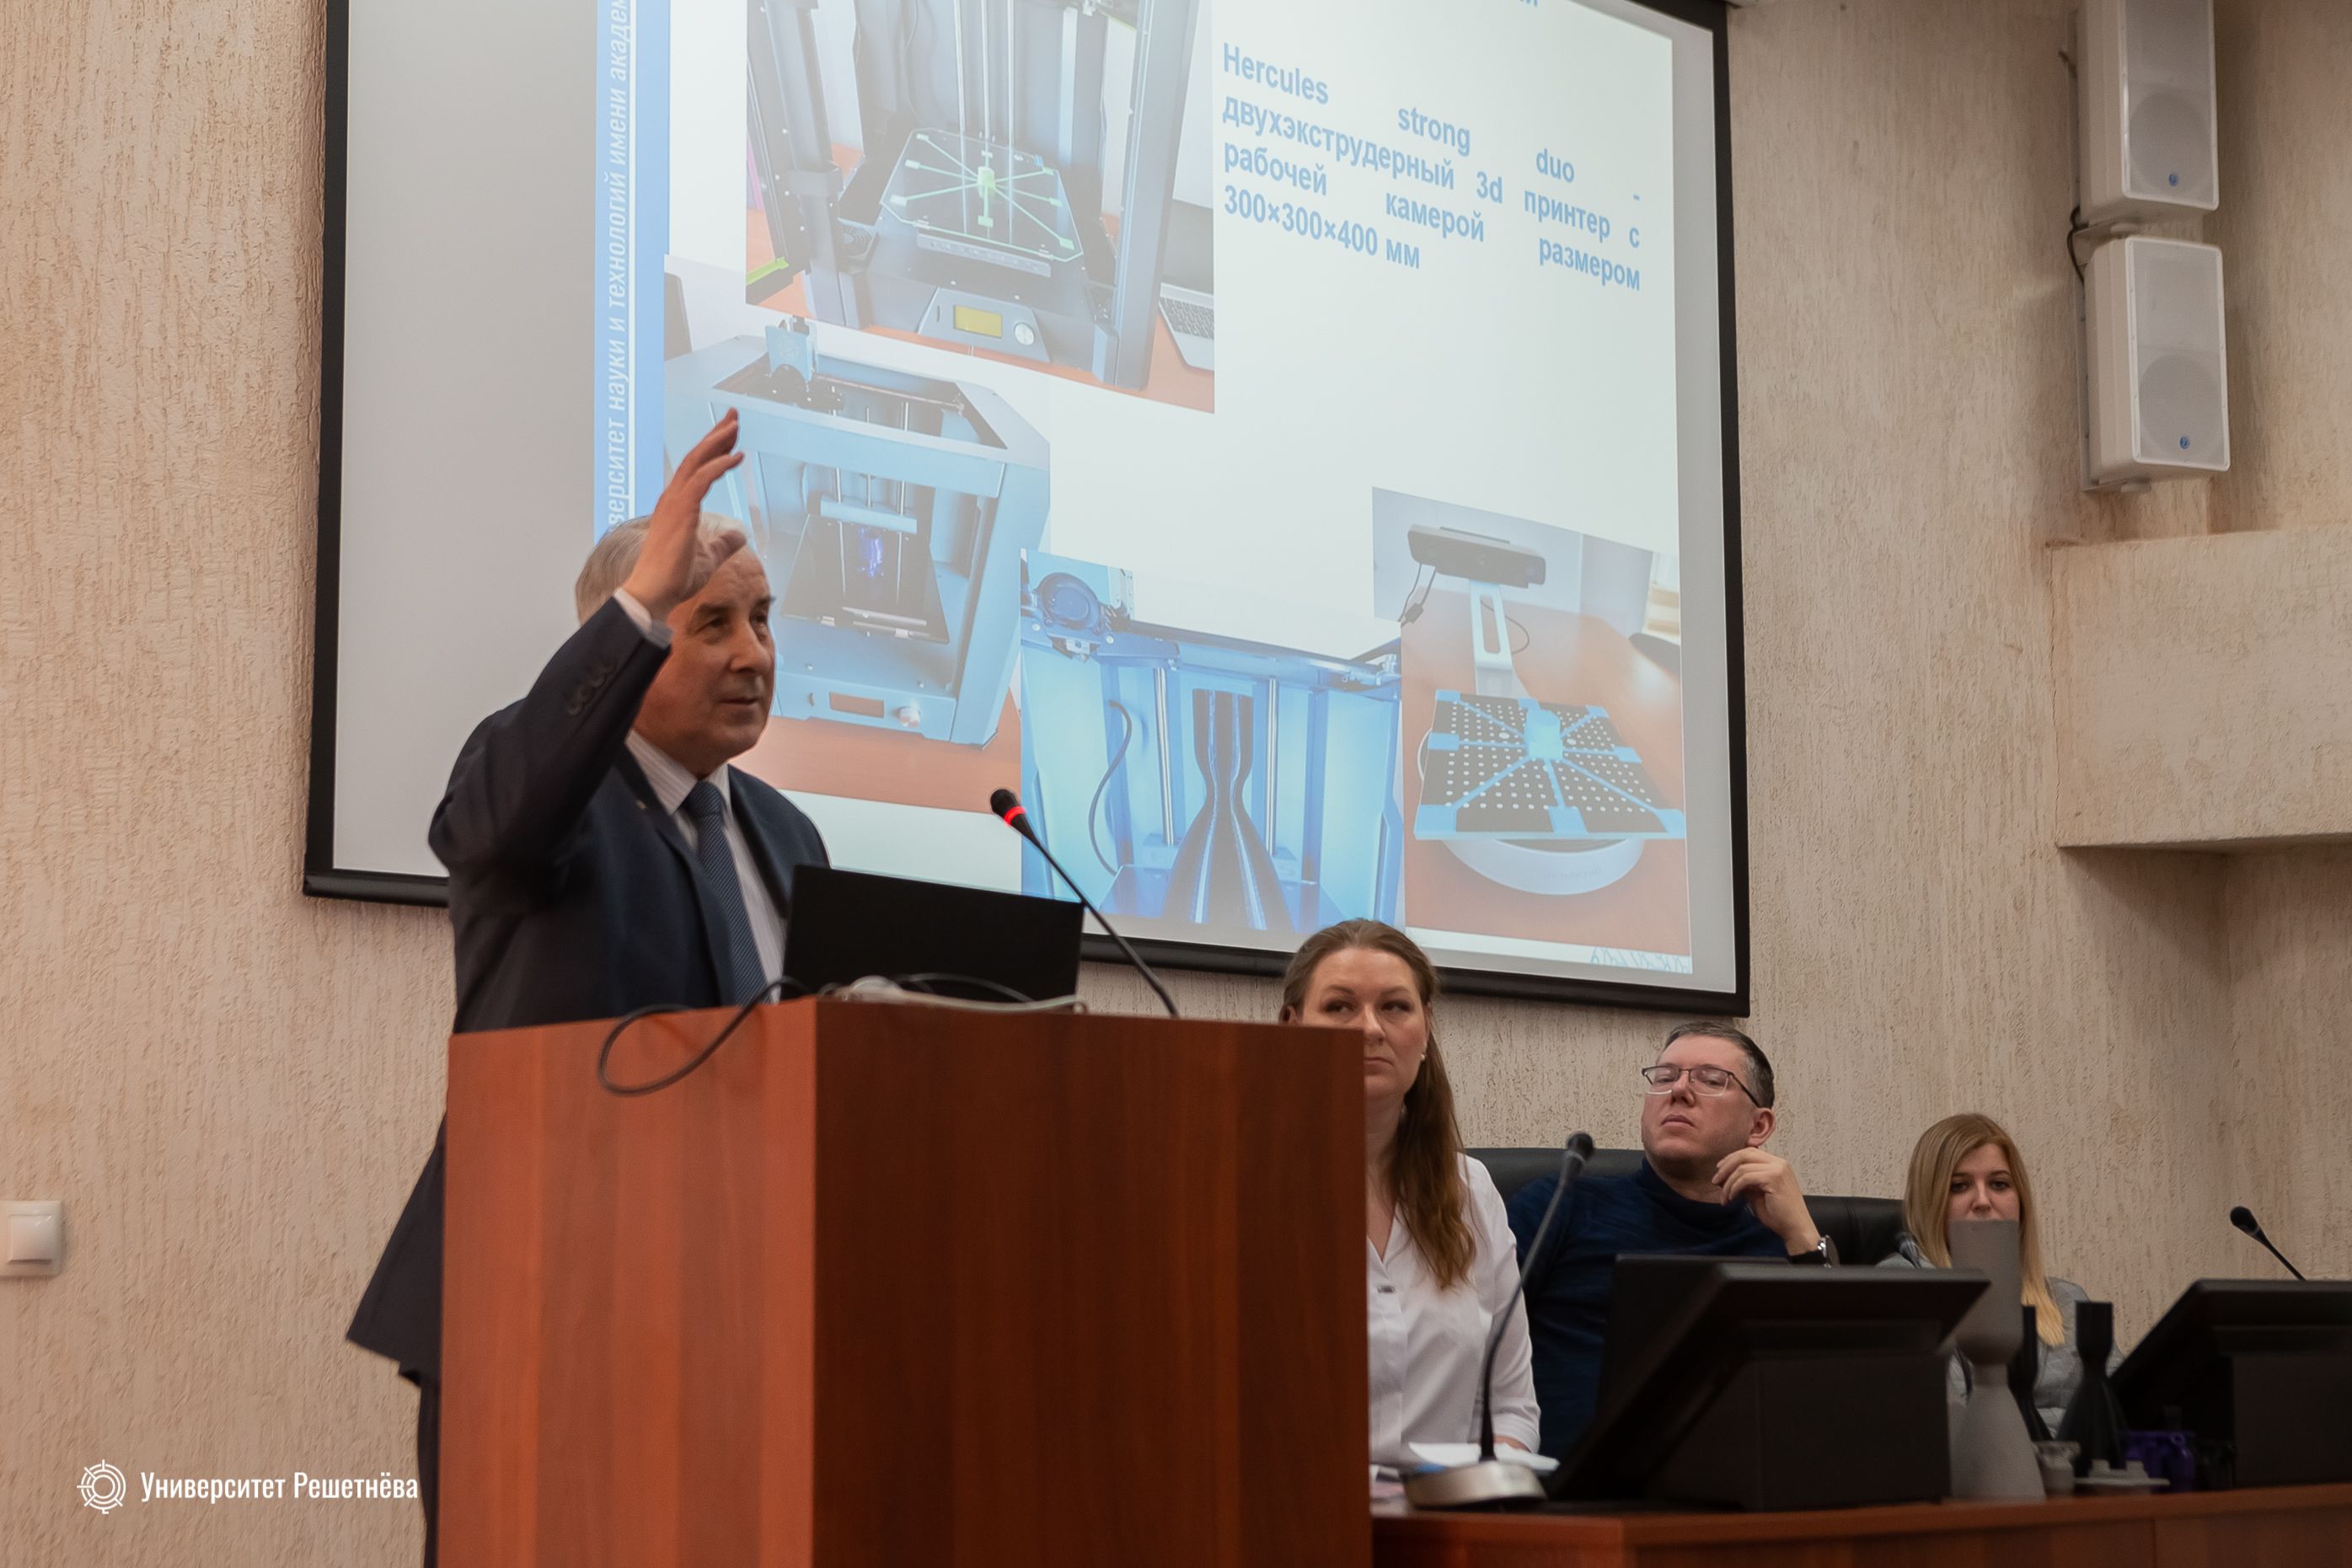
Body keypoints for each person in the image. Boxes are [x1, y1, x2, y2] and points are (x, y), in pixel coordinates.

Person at [345, 411, 830, 1565]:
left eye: (762, 620)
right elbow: (497, 822)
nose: (754, 655)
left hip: (734, 1317)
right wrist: (637, 601)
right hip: (541, 1300)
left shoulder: (787, 835)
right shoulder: (538, 789)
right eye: (709, 623)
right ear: (629, 645)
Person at [1279, 920, 1540, 1469]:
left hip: (1441, 1511)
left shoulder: (1471, 1190)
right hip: (1290, 1505)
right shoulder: (1234, 1183)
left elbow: (1512, 1409)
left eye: (1395, 1007)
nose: (1370, 1028)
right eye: (1339, 1007)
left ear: (1425, 1030)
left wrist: (1475, 1486)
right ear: (1292, 1025)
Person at [1508, 1021, 1830, 1458]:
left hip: (1730, 1481)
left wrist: (1803, 1237)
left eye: (1711, 1080)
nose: (1678, 1091)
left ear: (1759, 1126)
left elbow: (1826, 1398)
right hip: (1566, 1483)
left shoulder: (1781, 1241)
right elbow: (1473, 1341)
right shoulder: (1560, 1204)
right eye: (1665, 1077)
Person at [1878, 1112, 2112, 1428]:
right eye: (1959, 1186)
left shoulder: (2066, 1300)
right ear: (1929, 1202)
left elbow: (2118, 1412)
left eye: (1999, 1184)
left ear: (2021, 1202)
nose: (1983, 1201)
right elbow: (1944, 1421)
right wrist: (2068, 1424)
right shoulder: (1902, 1287)